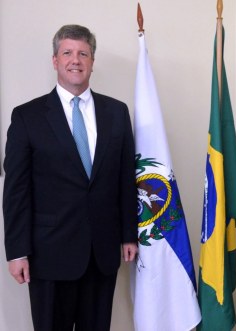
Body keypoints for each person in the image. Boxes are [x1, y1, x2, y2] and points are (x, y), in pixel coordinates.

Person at [3, 24, 138, 331]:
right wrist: (17, 251)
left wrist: (129, 234)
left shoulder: (116, 113)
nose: (75, 60)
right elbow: (16, 192)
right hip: (49, 255)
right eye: (67, 53)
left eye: (83, 53)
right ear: (55, 61)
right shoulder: (27, 116)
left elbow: (125, 179)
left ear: (92, 61)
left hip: (101, 254)